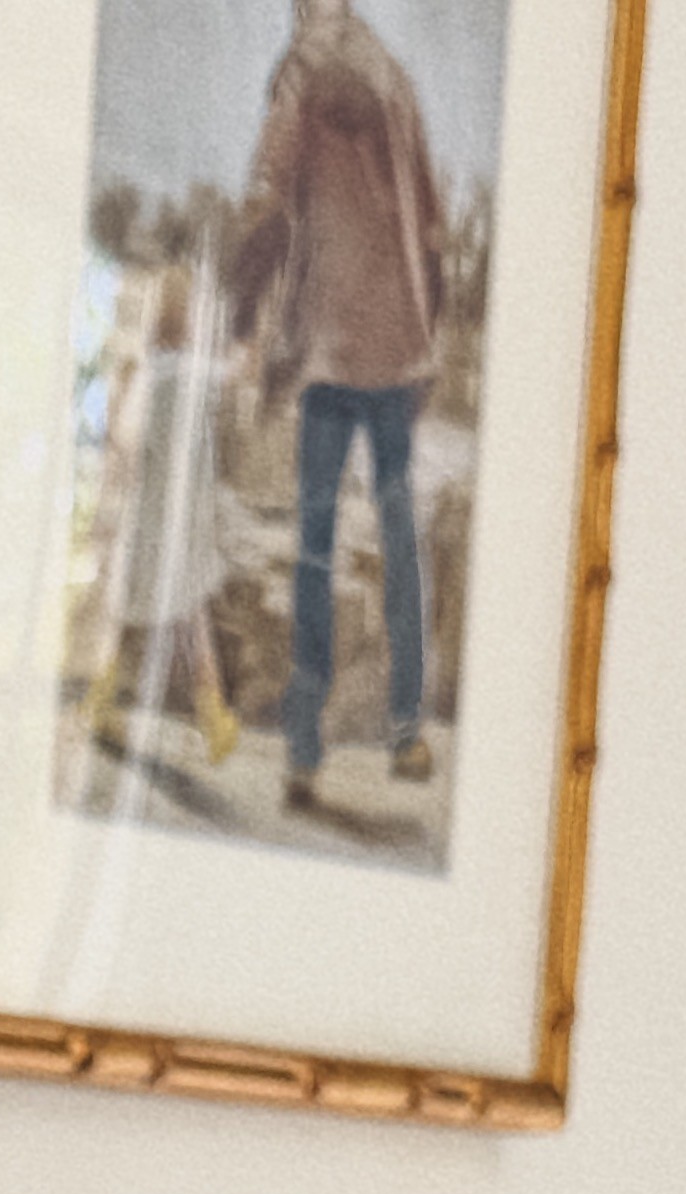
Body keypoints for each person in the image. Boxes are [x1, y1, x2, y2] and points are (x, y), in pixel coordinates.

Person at [227, 0, 451, 806]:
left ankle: (303, 749)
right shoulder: (393, 76)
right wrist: (426, 335)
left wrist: (242, 312)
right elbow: (430, 225)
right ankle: (406, 732)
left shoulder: (300, 71)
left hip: (325, 347)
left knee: (316, 544)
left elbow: (265, 194)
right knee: (398, 534)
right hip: (395, 349)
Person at [82, 256, 241, 776]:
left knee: (149, 618)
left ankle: (114, 704)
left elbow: (125, 447)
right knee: (184, 618)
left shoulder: (148, 375)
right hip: (179, 526)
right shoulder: (191, 373)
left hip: (151, 523)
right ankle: (210, 719)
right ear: (188, 319)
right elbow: (236, 373)